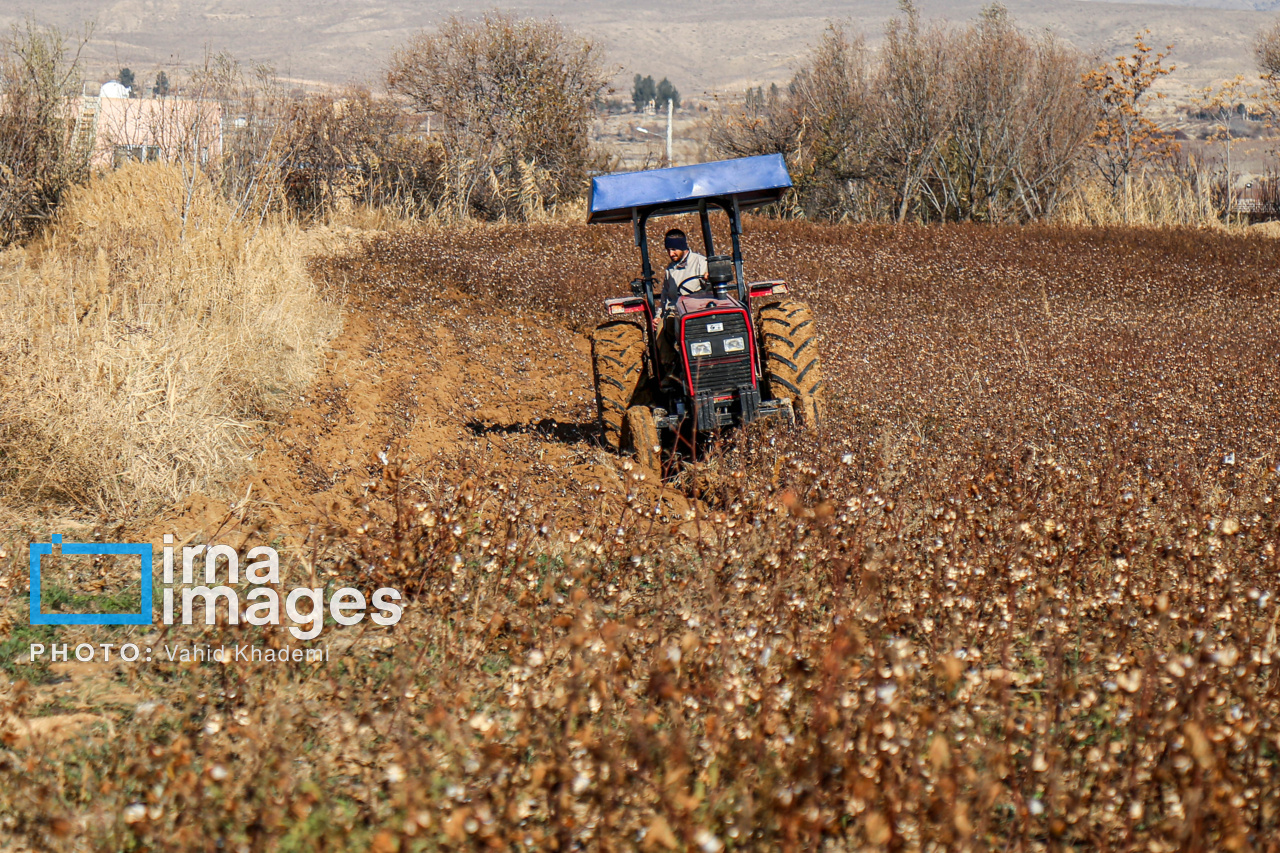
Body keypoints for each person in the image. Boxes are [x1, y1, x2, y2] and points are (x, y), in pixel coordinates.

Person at [654, 229, 707, 382]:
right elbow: (666, 298)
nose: (671, 254)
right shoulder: (670, 270)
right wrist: (659, 316)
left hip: (698, 308)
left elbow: (709, 282)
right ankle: (673, 368)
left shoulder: (701, 263)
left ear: (684, 247)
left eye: (674, 249)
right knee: (661, 329)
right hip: (677, 311)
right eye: (668, 250)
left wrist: (708, 278)